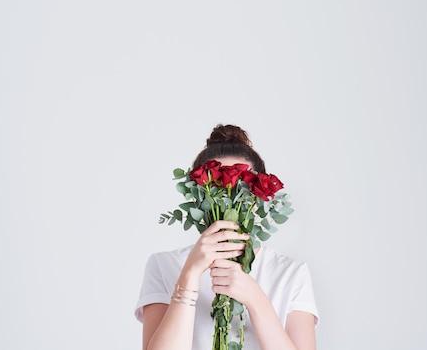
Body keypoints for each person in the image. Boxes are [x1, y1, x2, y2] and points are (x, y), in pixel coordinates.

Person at [134, 124, 319, 350]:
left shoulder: (291, 272)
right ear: (198, 196)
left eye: (241, 188)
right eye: (217, 189)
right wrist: (190, 274)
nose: (228, 200)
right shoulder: (163, 265)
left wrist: (255, 298)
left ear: (258, 197)